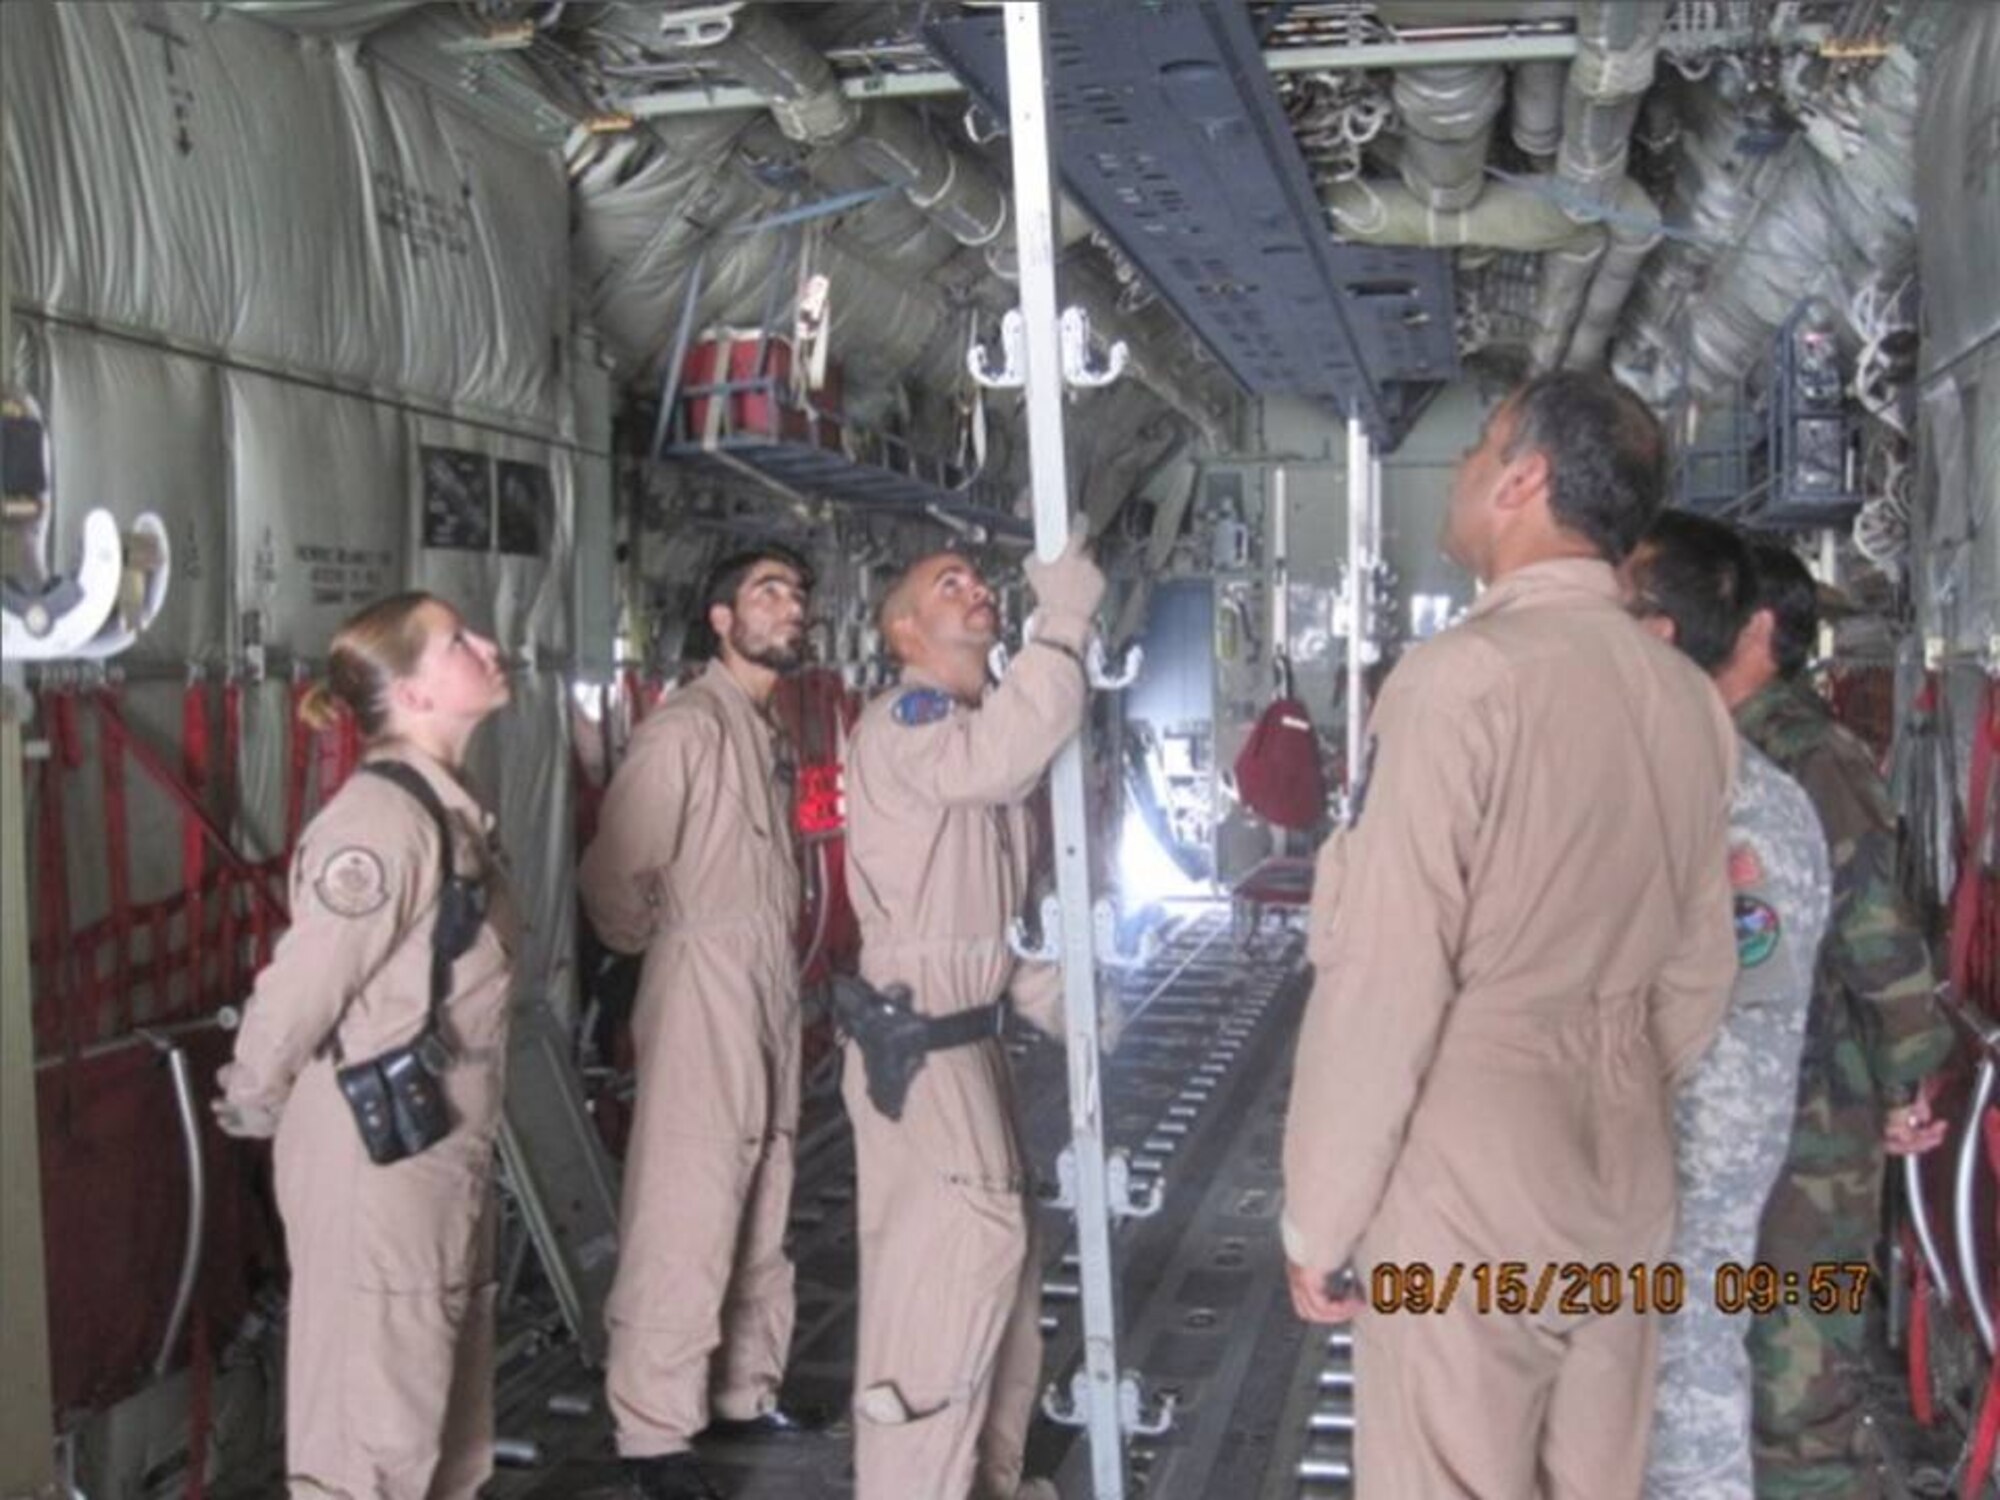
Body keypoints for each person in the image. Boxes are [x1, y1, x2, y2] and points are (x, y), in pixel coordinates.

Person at [1279, 370, 1740, 1500]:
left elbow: (1385, 982)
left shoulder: (1458, 682)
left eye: (1480, 447)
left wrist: (1319, 1220)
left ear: (1525, 480)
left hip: (1474, 1163)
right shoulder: (1686, 698)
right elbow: (1699, 972)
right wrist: (1608, 1071)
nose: (1463, 468)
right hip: (1624, 1158)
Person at [213, 592, 518, 1500]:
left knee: (438, 1405)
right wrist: (253, 1095)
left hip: (437, 1137)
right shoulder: (383, 822)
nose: (486, 645)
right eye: (457, 641)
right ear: (412, 694)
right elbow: (306, 981)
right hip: (378, 1147)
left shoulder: (449, 809)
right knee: (372, 1422)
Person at [840, 536, 1103, 1500]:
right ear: (905, 631)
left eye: (976, 577)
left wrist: (1077, 1014)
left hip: (967, 1039)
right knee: (948, 1284)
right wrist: (1061, 625)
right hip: (920, 1049)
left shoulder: (968, 734)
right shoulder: (911, 724)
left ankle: (987, 1482)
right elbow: (997, 761)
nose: (975, 589)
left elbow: (985, 927)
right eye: (945, 584)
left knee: (1006, 1284)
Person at [1713, 542, 1954, 1500]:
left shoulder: (1811, 757)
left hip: (1816, 1125)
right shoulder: (1717, 746)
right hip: (1748, 1110)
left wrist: (1904, 1079)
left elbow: (1877, 931)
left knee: (1798, 1381)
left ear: (1758, 630)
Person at [577, 545, 816, 1500]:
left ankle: (743, 1388)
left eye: (797, 593)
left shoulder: (766, 730)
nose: (791, 606)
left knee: (767, 1177)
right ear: (721, 619)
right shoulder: (686, 730)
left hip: (766, 977)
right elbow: (613, 879)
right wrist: (668, 955)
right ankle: (653, 1429)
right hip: (703, 976)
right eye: (768, 592)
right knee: (689, 1195)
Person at [1622, 512, 1832, 1500]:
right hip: (1653, 1162)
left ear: (1657, 635)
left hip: (1697, 1163)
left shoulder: (1741, 807)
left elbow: (1741, 1038)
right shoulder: (1681, 783)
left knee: (1686, 1392)